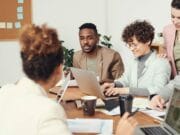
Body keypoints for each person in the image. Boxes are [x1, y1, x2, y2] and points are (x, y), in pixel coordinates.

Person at [0, 24, 137, 135]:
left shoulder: (4, 92)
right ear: (59, 69)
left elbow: (120, 81)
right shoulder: (48, 111)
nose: (85, 41)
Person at [103, 20, 171, 97]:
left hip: (151, 106)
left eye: (134, 45)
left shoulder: (161, 63)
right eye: (129, 45)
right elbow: (125, 80)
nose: (131, 48)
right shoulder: (133, 61)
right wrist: (114, 84)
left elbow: (158, 89)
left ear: (148, 41)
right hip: (134, 103)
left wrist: (126, 90)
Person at [150, 0, 180, 110]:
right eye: (172, 16)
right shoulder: (168, 30)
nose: (175, 21)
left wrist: (162, 95)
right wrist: (163, 56)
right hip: (173, 82)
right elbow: (166, 50)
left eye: (179, 18)